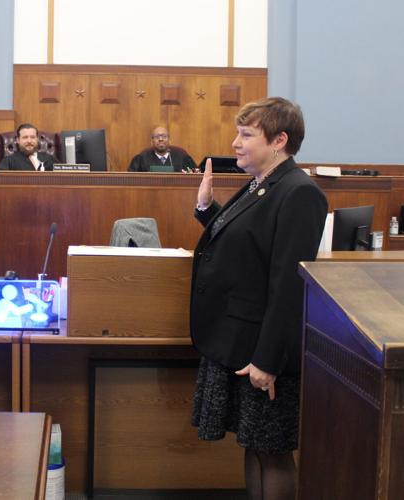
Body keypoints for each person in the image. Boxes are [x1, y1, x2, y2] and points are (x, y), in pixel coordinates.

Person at [189, 97, 327, 500]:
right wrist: (206, 208)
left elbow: (288, 284)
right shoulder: (263, 184)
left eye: (247, 134)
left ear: (279, 140)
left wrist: (268, 361)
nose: (235, 143)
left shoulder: (299, 192)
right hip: (243, 342)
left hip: (266, 351)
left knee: (273, 451)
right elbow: (247, 243)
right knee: (253, 443)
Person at [127, 126, 197, 172]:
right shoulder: (142, 158)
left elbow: (196, 173)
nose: (161, 139)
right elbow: (131, 178)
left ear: (169, 140)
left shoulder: (182, 156)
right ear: (151, 141)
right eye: (157, 137)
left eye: (164, 136)